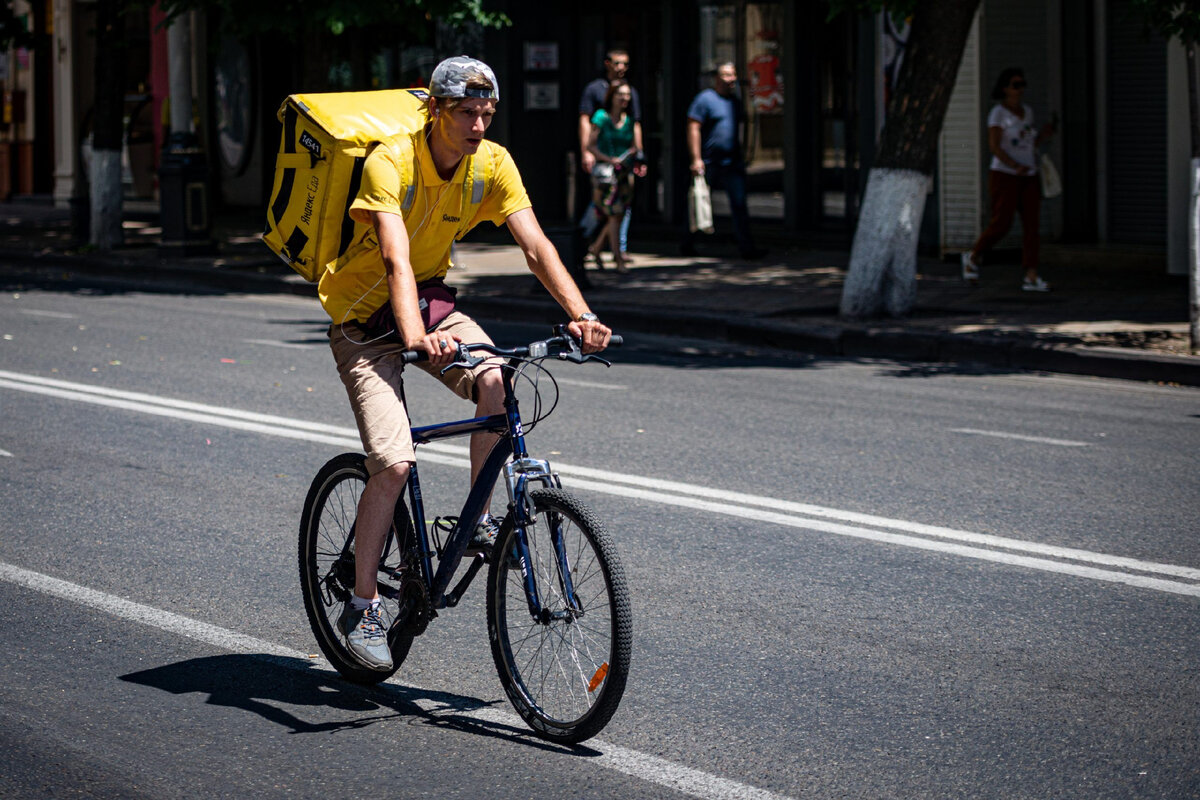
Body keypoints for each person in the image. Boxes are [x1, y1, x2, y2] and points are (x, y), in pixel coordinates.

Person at [318, 56, 612, 671]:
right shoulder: (391, 161)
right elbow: (396, 262)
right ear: (435, 110)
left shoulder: (493, 163)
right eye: (465, 113)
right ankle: (364, 604)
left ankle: (474, 520)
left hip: (428, 305)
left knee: (497, 380)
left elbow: (534, 245)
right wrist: (416, 338)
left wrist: (582, 315)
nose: (478, 125)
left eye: (487, 113)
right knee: (394, 463)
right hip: (365, 324)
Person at [961, 67, 1056, 291]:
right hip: (1005, 175)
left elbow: (1028, 142)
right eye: (1015, 85)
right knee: (1002, 223)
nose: (1020, 90)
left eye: (1022, 84)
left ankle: (1031, 275)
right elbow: (994, 146)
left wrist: (1043, 136)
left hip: (1029, 175)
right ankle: (974, 256)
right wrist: (1014, 165)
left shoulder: (1028, 112)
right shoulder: (998, 114)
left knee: (1032, 225)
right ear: (1004, 89)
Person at [682, 62, 764, 260]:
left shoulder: (734, 102)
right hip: (709, 162)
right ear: (717, 78)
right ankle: (687, 244)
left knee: (739, 204)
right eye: (727, 75)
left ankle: (747, 247)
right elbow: (693, 127)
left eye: (734, 75)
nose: (732, 79)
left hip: (732, 162)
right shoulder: (705, 100)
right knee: (699, 201)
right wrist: (696, 159)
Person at [578, 49, 643, 259]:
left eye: (625, 63)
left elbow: (636, 124)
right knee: (601, 206)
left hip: (623, 161)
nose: (621, 67)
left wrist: (639, 154)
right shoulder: (596, 96)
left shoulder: (630, 92)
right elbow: (585, 122)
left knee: (620, 208)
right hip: (603, 160)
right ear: (607, 63)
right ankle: (582, 240)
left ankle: (613, 249)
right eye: (617, 63)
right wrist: (587, 152)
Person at [586, 80, 646, 273]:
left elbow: (636, 147)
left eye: (628, 95)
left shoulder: (629, 121)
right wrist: (609, 159)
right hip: (606, 175)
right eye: (621, 94)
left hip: (624, 174)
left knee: (617, 216)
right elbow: (590, 145)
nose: (625, 99)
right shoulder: (601, 117)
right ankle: (618, 258)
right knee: (614, 215)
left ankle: (596, 249)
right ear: (612, 96)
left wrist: (634, 160)